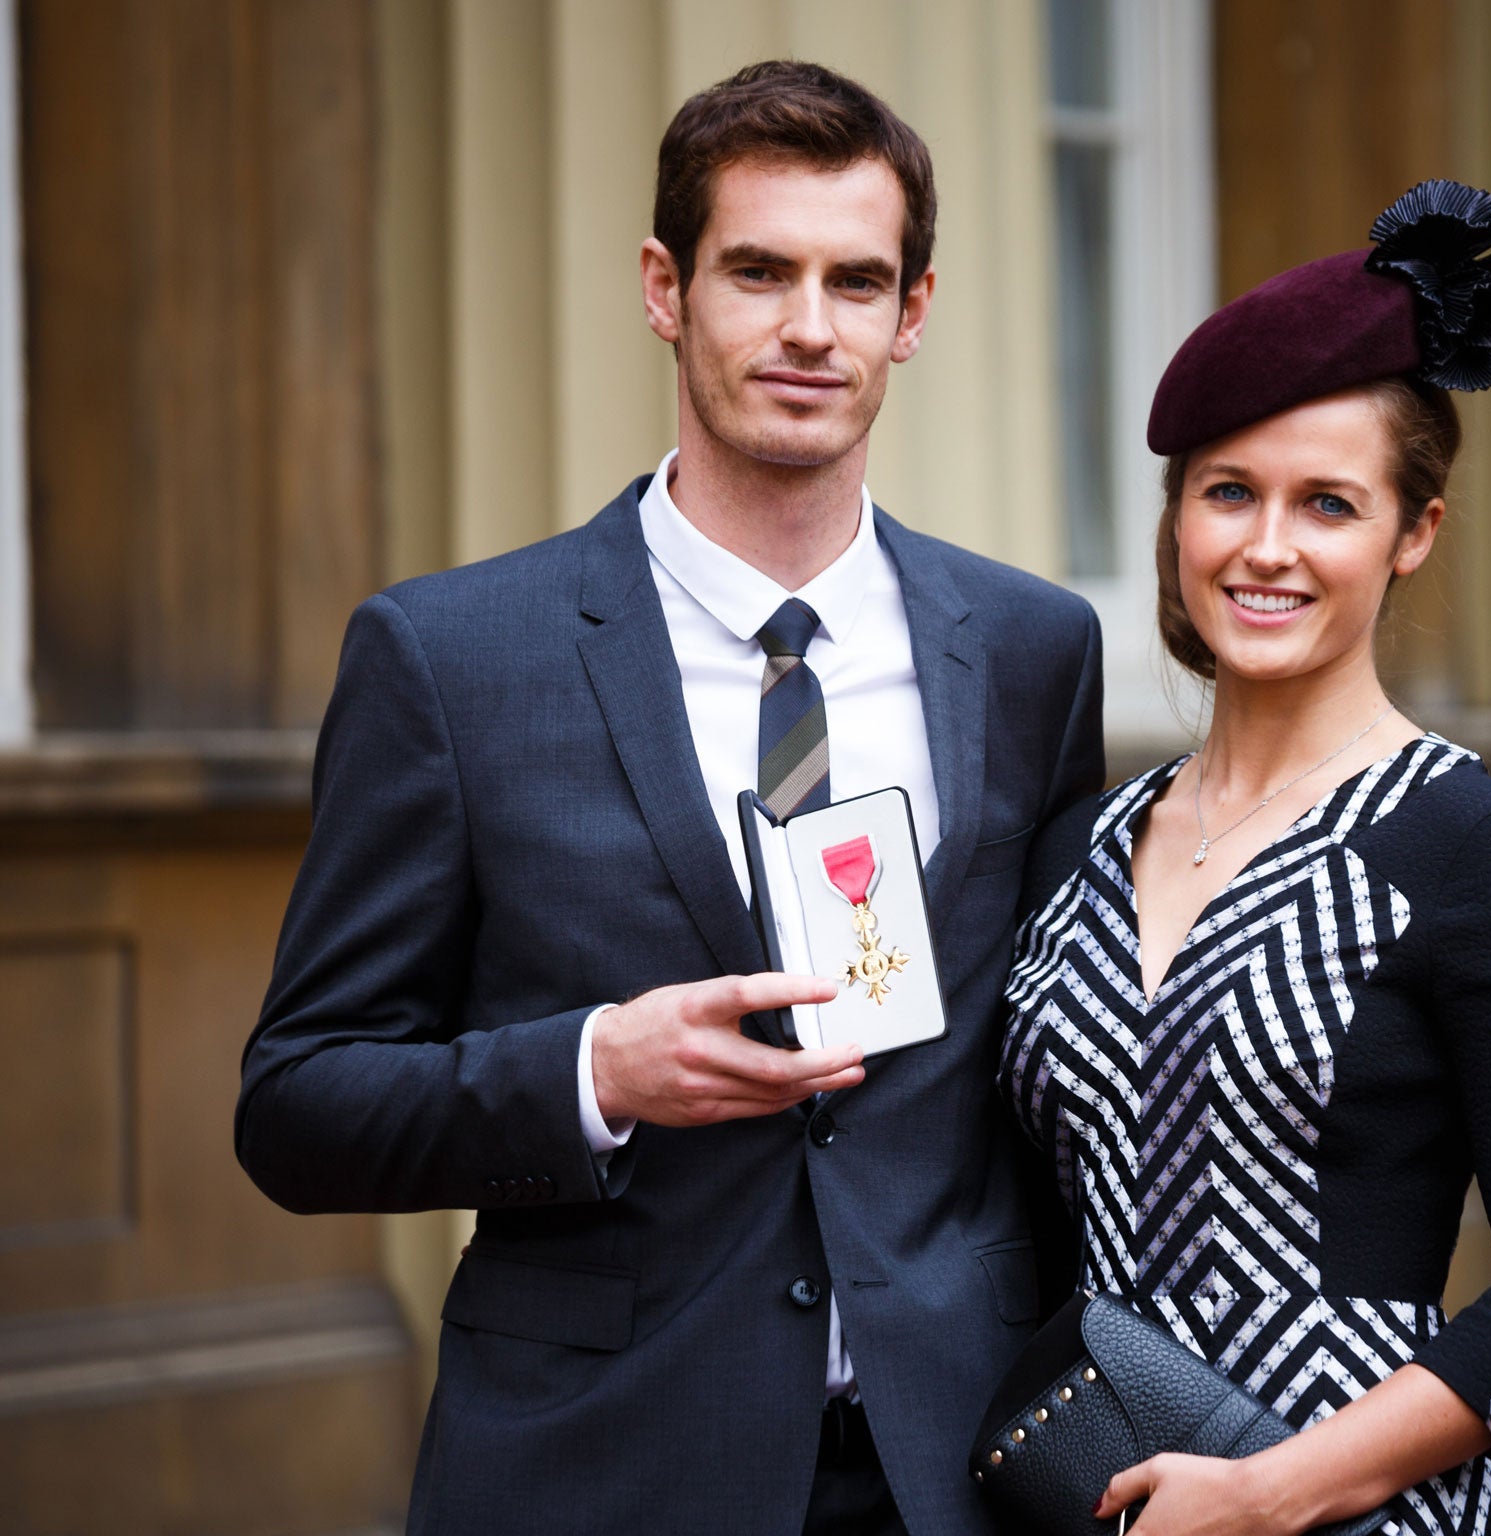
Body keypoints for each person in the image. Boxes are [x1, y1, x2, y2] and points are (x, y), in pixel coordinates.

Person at [237, 61, 1102, 1536]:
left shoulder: (1030, 651)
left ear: (916, 312)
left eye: (857, 280)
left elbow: (1052, 1072)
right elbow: (299, 1103)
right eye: (758, 271)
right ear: (665, 287)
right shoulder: (449, 659)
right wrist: (592, 1073)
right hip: (603, 1466)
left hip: (956, 1468)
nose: (809, 328)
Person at [998, 182, 1491, 1534]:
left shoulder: (1477, 849)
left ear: (1413, 534)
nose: (1267, 547)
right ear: (1178, 518)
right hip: (1104, 1502)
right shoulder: (1079, 849)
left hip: (1364, 1515)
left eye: (1329, 504)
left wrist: (1264, 1496)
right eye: (1231, 492)